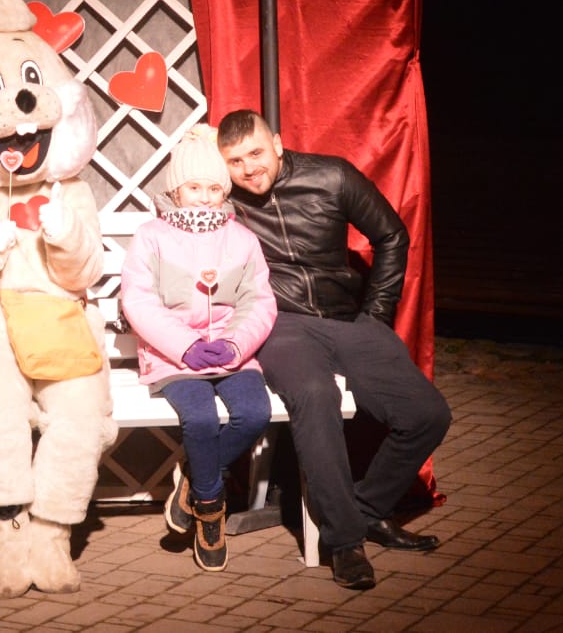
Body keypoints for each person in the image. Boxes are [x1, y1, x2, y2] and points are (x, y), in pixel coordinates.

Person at [215, 109, 451, 591]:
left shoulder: (332, 176)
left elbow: (391, 234)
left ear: (277, 143)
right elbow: (180, 203)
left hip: (347, 318)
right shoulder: (225, 197)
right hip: (281, 324)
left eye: (256, 153)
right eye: (235, 161)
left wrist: (376, 314)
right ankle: (343, 543)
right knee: (316, 396)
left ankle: (366, 510)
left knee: (427, 414)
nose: (249, 169)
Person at [119, 123, 276, 572]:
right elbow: (139, 300)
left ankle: (193, 477)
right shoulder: (151, 236)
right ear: (176, 189)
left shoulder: (242, 239)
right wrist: (185, 346)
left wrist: (235, 344)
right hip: (173, 357)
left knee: (255, 414)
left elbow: (258, 301)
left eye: (214, 188)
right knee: (202, 418)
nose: (205, 198)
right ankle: (210, 507)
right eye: (194, 188)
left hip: (232, 353)